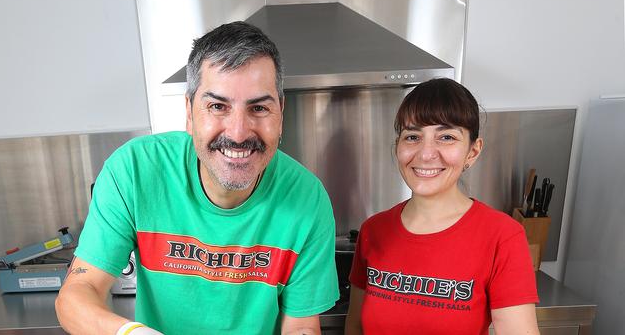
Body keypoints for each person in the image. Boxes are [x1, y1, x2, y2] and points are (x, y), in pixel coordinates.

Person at [55, 21, 339, 335]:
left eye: (258, 108)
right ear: (190, 113)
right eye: (218, 106)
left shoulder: (308, 199)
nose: (238, 132)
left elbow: (301, 326)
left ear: (280, 114)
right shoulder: (134, 170)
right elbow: (78, 293)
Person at [344, 78, 540, 335]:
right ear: (398, 146)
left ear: (473, 151)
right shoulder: (373, 231)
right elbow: (355, 328)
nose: (426, 154)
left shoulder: (502, 237)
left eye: (446, 137)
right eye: (412, 136)